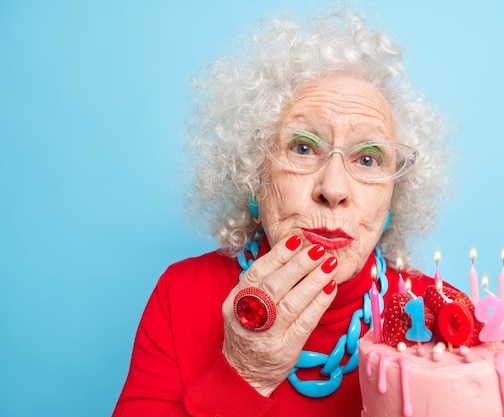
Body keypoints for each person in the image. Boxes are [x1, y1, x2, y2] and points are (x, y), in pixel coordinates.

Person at [113, 5, 448, 417]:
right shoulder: (180, 294)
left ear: (393, 197)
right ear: (256, 176)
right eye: (303, 148)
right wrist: (242, 376)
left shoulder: (438, 314)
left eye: (367, 158)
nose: (334, 189)